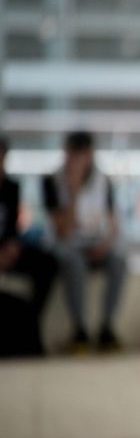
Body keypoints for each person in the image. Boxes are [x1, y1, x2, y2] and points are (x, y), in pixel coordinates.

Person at [42, 130, 127, 353]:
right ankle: (79, 329)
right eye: (72, 154)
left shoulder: (103, 180)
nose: (76, 160)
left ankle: (107, 328)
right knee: (74, 262)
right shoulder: (52, 181)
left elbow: (113, 224)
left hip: (96, 243)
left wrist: (105, 245)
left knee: (119, 261)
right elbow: (63, 230)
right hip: (68, 244)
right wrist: (74, 191)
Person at [0, 135, 58, 355]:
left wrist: (12, 248)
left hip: (7, 252)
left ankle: (33, 320)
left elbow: (13, 229)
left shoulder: (11, 188)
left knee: (47, 263)